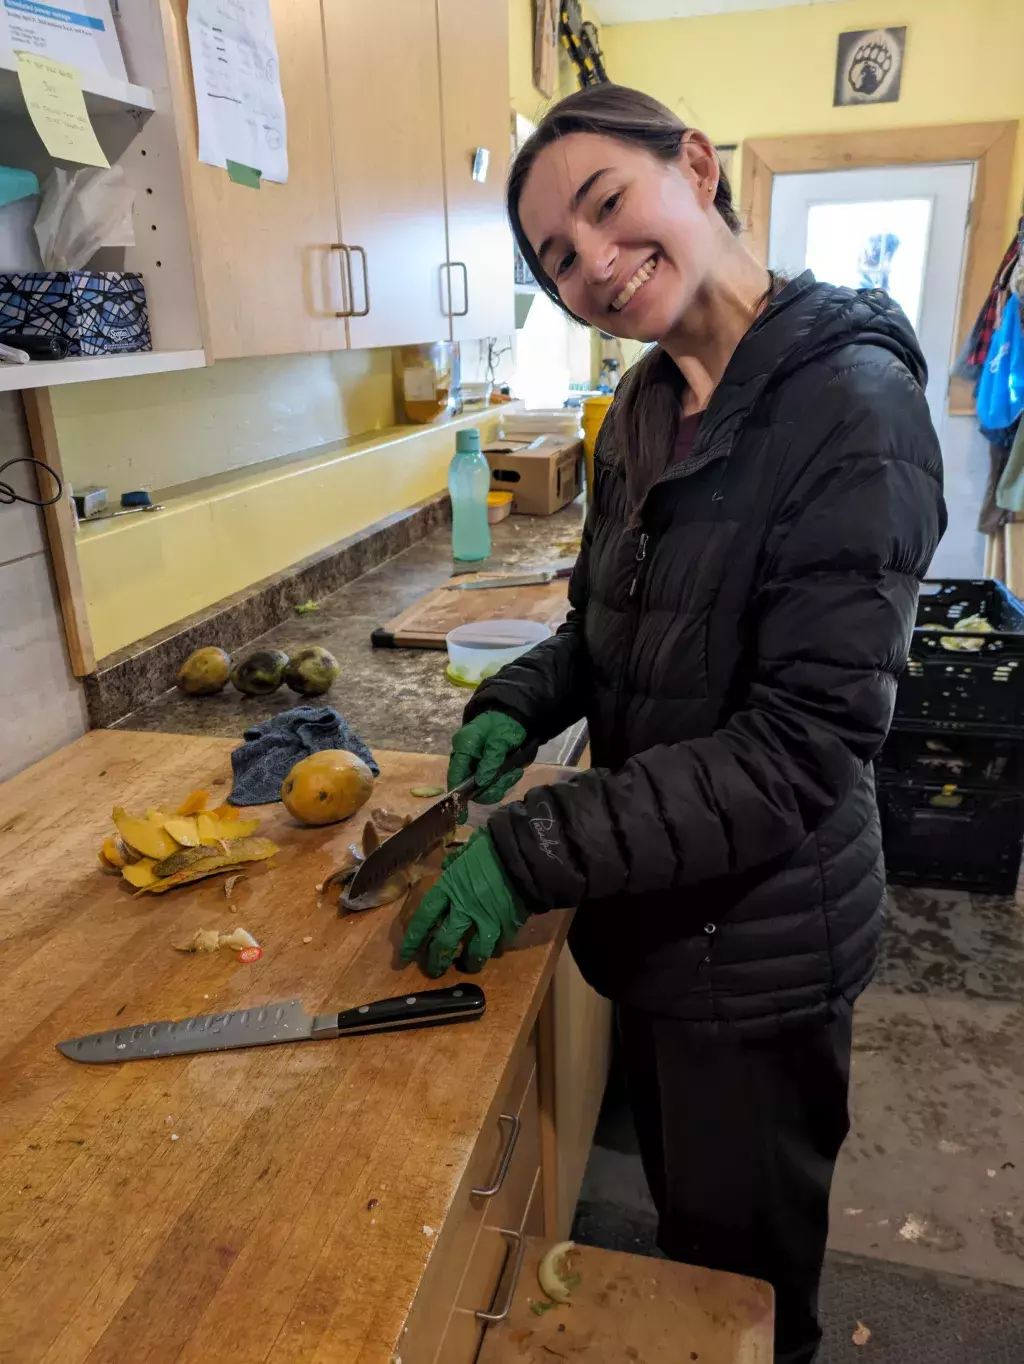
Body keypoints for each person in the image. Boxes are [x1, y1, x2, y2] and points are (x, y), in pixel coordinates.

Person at [400, 84, 945, 1364]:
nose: (592, 262)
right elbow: (607, 626)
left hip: (761, 942)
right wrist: (520, 701)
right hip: (660, 918)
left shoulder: (852, 412)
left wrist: (529, 848)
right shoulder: (646, 409)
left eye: (604, 205)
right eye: (555, 258)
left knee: (745, 1286)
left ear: (693, 167)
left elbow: (797, 751)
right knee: (689, 1240)